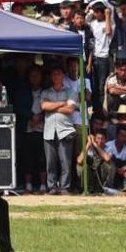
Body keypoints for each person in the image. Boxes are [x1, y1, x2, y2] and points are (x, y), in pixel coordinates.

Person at [34, 66, 77, 195]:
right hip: (49, 131)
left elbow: (70, 110)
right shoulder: (46, 92)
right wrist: (62, 103)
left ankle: (64, 187)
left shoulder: (71, 91)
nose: (56, 76)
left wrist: (52, 106)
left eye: (58, 73)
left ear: (63, 76)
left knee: (65, 161)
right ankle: (52, 187)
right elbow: (44, 106)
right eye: (54, 74)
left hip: (65, 130)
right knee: (50, 162)